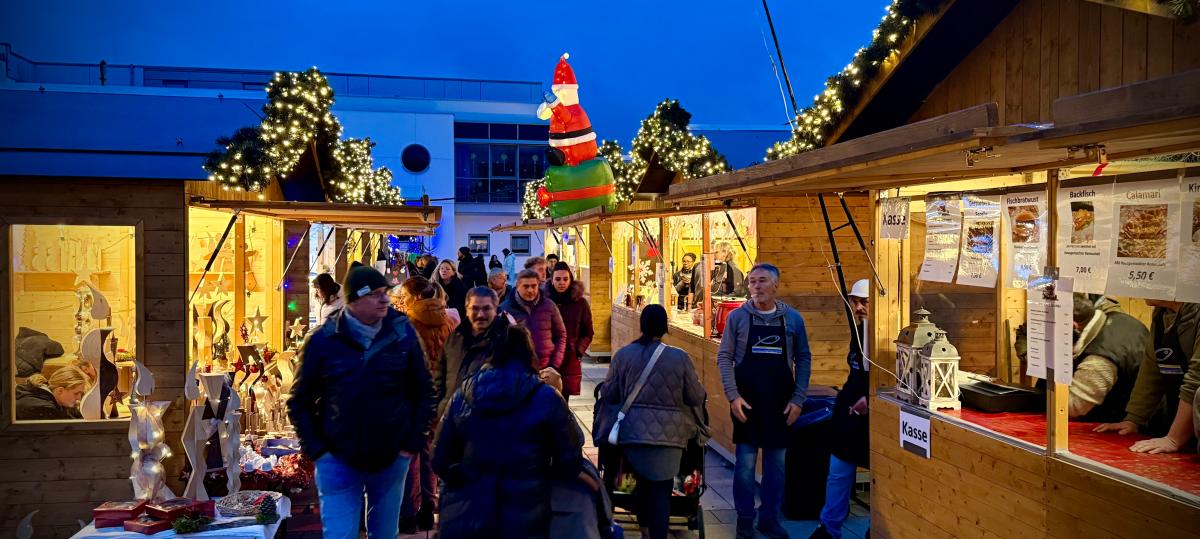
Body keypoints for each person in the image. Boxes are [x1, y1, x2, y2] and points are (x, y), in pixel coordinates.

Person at [287, 266, 436, 539]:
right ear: (354, 300)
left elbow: (424, 391)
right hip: (338, 457)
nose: (385, 300)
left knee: (384, 533)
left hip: (391, 456)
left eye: (385, 293)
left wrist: (411, 443)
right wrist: (318, 450)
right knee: (340, 534)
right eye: (376, 294)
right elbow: (299, 400)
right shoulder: (323, 340)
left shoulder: (402, 333)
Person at [432, 325, 592, 539]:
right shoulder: (547, 398)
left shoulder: (463, 395)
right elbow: (570, 460)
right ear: (529, 353)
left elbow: (440, 459)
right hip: (527, 515)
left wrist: (466, 477)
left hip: (471, 513)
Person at [597, 305, 708, 539]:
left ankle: (643, 528)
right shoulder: (680, 357)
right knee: (660, 491)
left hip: (631, 434)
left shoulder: (624, 355)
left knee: (636, 487)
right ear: (665, 326)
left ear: (641, 325)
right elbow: (696, 397)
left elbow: (610, 394)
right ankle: (657, 535)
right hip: (669, 438)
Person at [718, 263, 811, 539]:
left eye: (761, 281)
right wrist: (733, 396)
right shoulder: (738, 318)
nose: (755, 287)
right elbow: (724, 357)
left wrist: (798, 399)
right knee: (745, 464)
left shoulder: (793, 319)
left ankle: (769, 518)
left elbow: (804, 358)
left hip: (781, 403)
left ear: (775, 286)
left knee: (777, 466)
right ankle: (745, 518)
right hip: (746, 403)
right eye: (752, 282)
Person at [1095, 300, 1200, 454]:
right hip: (1178, 423)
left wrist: (1174, 438)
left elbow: (1196, 378)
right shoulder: (1161, 313)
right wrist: (1134, 419)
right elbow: (1152, 369)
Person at [397, 276, 459, 534]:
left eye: (403, 295)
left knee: (409, 457)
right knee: (430, 453)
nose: (401, 299)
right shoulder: (450, 321)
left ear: (414, 297)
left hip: (412, 399)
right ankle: (428, 507)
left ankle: (408, 514)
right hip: (441, 398)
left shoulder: (405, 324)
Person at [811, 279, 871, 539]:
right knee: (838, 471)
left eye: (864, 302)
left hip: (875, 418)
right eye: (855, 302)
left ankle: (877, 527)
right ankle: (829, 527)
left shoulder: (888, 336)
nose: (858, 307)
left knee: (880, 476)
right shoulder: (858, 333)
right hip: (849, 412)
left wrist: (872, 400)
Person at [1067, 294, 1148, 422]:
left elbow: (1073, 407)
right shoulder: (1119, 319)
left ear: (1072, 326)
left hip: (1136, 428)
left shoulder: (1099, 358)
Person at [435, 286, 513, 417]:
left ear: (495, 310)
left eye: (486, 308)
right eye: (475, 308)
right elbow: (440, 375)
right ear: (466, 310)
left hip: (488, 422)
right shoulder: (455, 337)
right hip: (450, 419)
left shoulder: (508, 340)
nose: (480, 314)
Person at [502, 269, 567, 376]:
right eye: (526, 286)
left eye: (534, 286)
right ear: (517, 286)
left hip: (547, 371)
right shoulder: (505, 309)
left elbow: (561, 335)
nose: (530, 290)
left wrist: (554, 365)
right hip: (517, 373)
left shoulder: (549, 306)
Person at [547, 262, 594, 404]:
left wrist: (578, 351)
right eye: (558, 279)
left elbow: (588, 332)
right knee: (546, 399)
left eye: (565, 279)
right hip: (547, 358)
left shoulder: (580, 303)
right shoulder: (543, 301)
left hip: (569, 358)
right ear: (552, 280)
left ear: (570, 279)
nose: (562, 283)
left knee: (563, 401)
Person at [15, 367, 89, 420]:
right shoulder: (44, 409)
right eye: (76, 393)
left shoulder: (48, 396)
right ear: (60, 390)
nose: (79, 398)